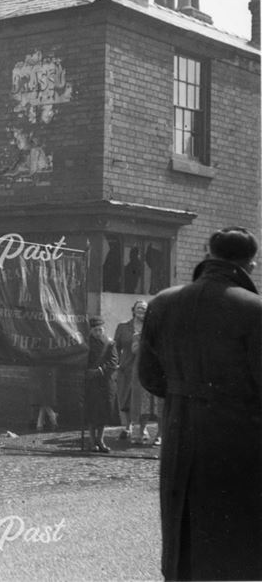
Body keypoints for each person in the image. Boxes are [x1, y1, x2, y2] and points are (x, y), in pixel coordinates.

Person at [139, 227, 261, 581]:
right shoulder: (254, 310)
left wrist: (185, 394)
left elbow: (149, 377)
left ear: (208, 254)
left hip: (179, 430)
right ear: (249, 264)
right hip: (238, 437)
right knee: (235, 537)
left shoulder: (162, 302)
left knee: (182, 526)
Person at [84, 317, 118, 453]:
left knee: (104, 412)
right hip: (91, 384)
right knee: (92, 412)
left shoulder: (110, 343)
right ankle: (92, 441)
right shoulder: (85, 344)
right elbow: (82, 361)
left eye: (100, 329)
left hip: (105, 382)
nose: (98, 332)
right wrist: (87, 371)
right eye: (95, 330)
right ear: (91, 331)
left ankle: (100, 440)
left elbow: (114, 360)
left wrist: (100, 371)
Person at [113, 300, 146, 440]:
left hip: (143, 369)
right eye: (139, 308)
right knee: (125, 397)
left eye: (144, 309)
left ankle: (143, 430)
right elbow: (115, 347)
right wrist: (116, 365)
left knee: (142, 400)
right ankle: (127, 427)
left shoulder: (150, 328)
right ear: (133, 310)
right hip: (125, 368)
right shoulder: (123, 327)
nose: (142, 311)